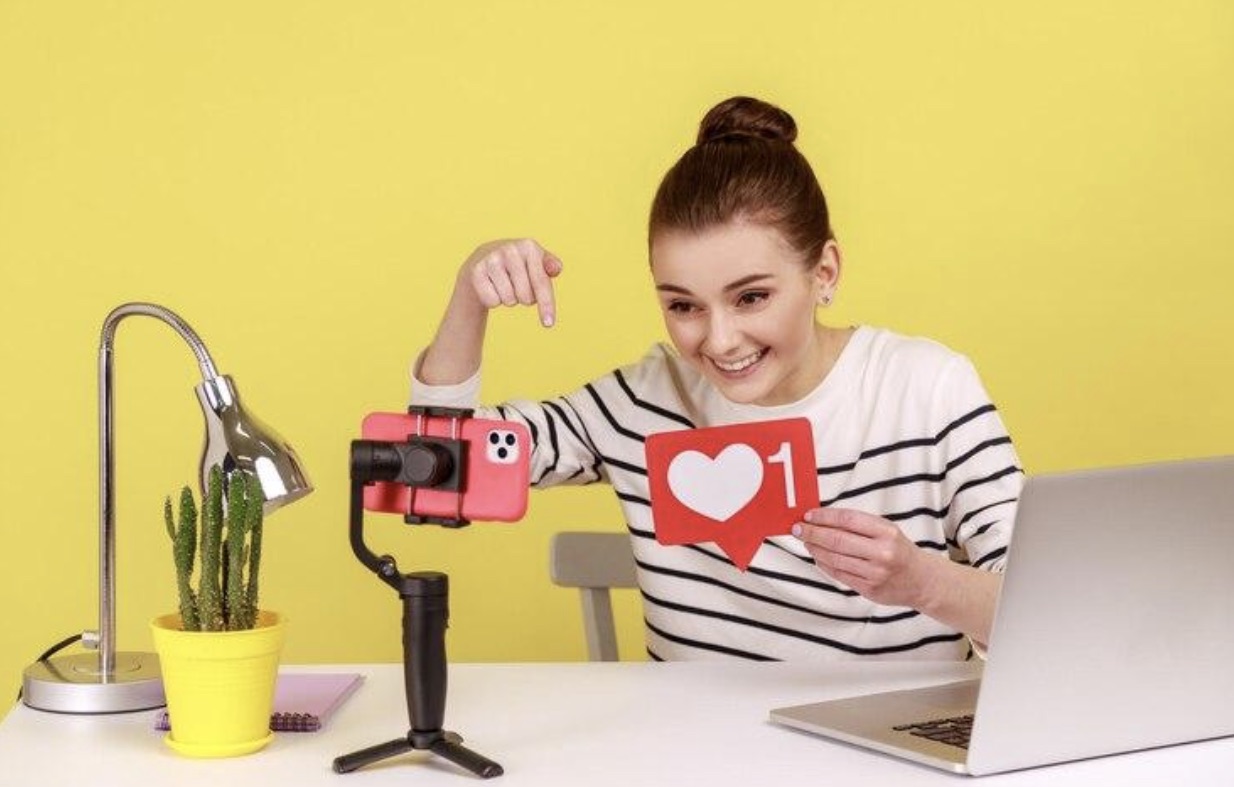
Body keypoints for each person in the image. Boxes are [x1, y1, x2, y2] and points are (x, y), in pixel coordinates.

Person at [411, 96, 1023, 661]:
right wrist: (471, 294)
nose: (720, 340)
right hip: (694, 764)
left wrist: (924, 582)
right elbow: (434, 474)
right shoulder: (644, 402)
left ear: (825, 271)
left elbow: (1048, 615)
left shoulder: (927, 389)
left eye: (751, 297)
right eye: (684, 306)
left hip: (895, 763)